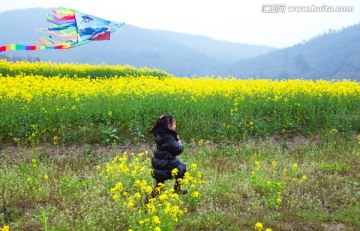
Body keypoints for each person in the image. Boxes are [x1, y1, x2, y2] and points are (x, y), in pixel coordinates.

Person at [148, 114, 187, 200]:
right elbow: (178, 150)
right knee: (182, 167)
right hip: (165, 165)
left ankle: (147, 201)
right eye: (174, 124)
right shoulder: (169, 138)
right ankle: (177, 189)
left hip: (158, 165)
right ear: (169, 126)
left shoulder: (159, 134)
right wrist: (179, 142)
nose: (175, 126)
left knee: (159, 186)